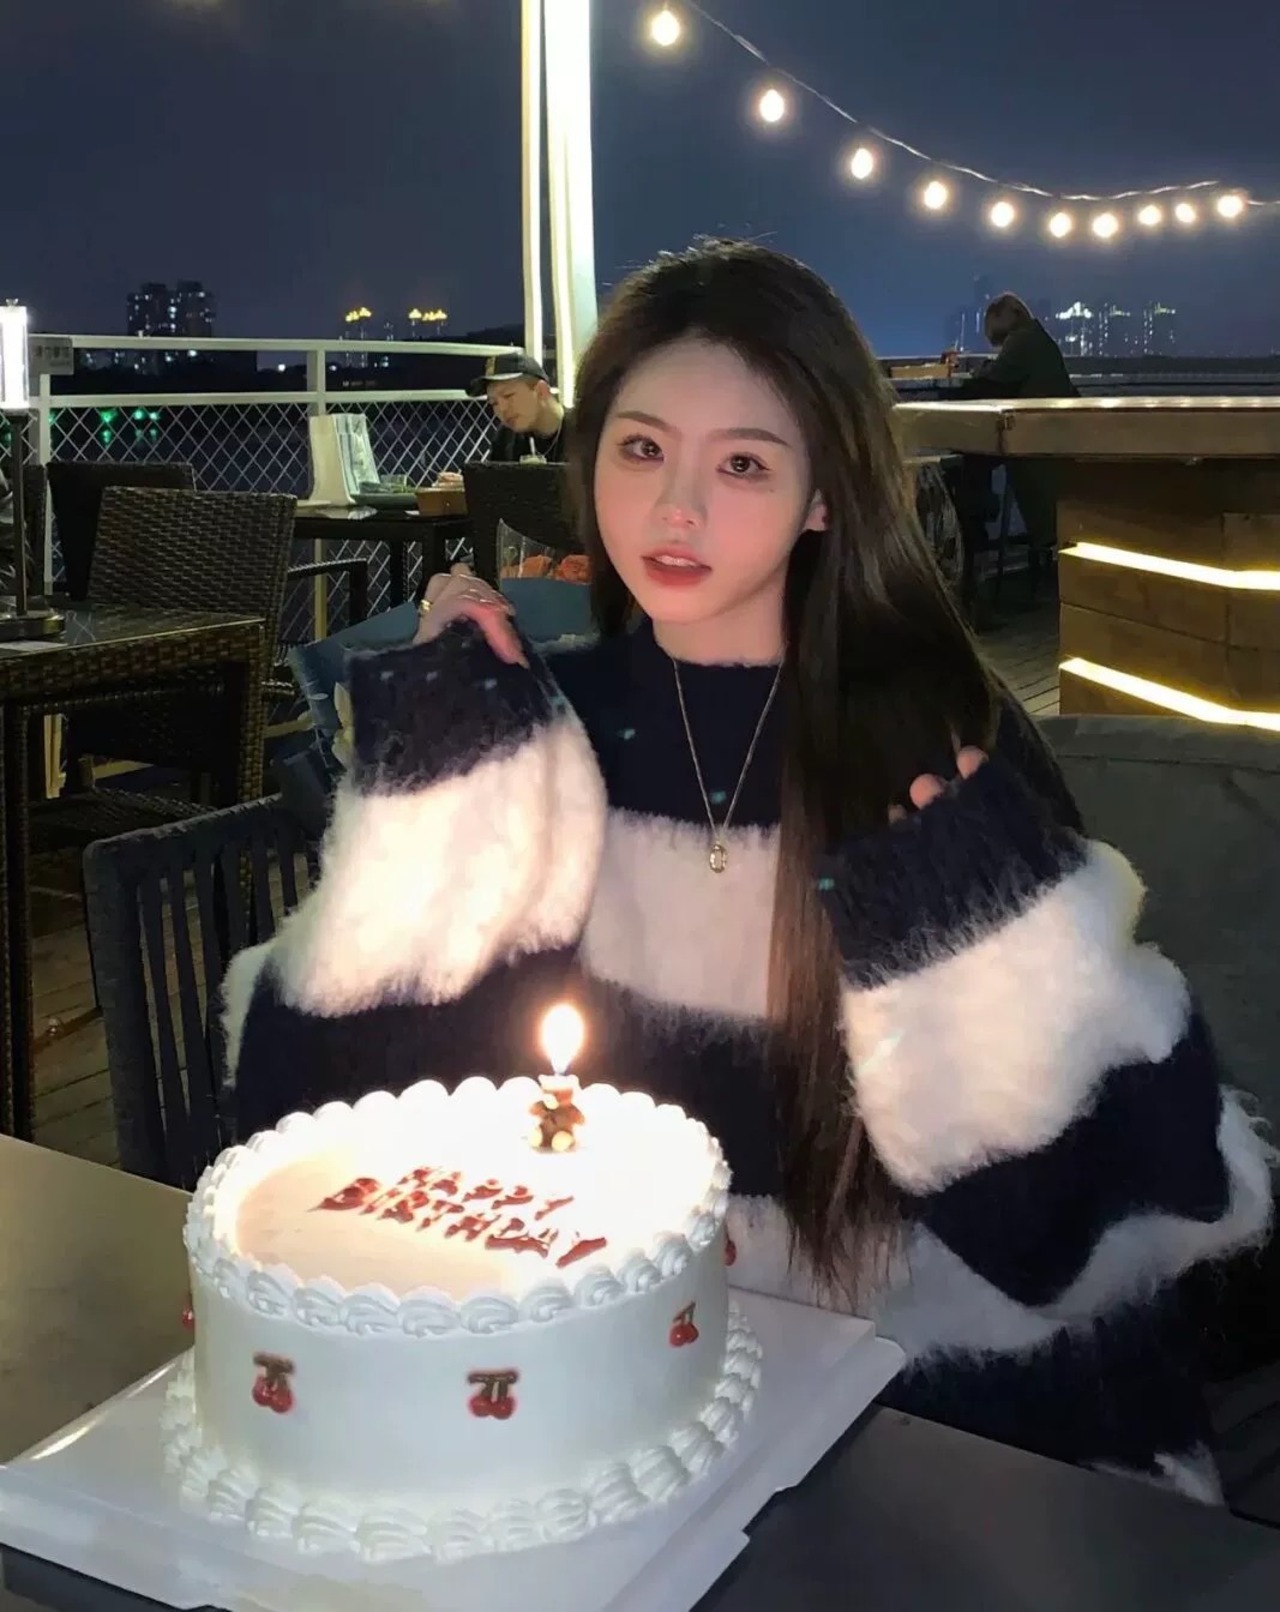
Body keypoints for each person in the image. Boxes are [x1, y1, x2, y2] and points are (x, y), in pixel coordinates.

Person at [226, 240, 1271, 1498]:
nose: (676, 509)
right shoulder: (540, 721)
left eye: (740, 464)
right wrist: (432, 777)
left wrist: (975, 938)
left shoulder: (933, 740)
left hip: (943, 1414)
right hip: (618, 1408)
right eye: (640, 448)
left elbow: (1131, 1225)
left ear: (821, 497)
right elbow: (308, 1126)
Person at [949, 293, 1077, 569]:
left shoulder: (1023, 342)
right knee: (975, 462)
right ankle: (979, 527)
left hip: (1035, 444)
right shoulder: (1037, 339)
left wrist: (968, 381)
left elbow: (993, 382)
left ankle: (974, 534)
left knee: (968, 462)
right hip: (1053, 438)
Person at [434, 353, 569, 487]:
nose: (501, 409)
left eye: (508, 396)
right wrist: (472, 485)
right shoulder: (506, 437)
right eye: (493, 403)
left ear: (541, 391)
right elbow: (498, 486)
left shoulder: (580, 431)